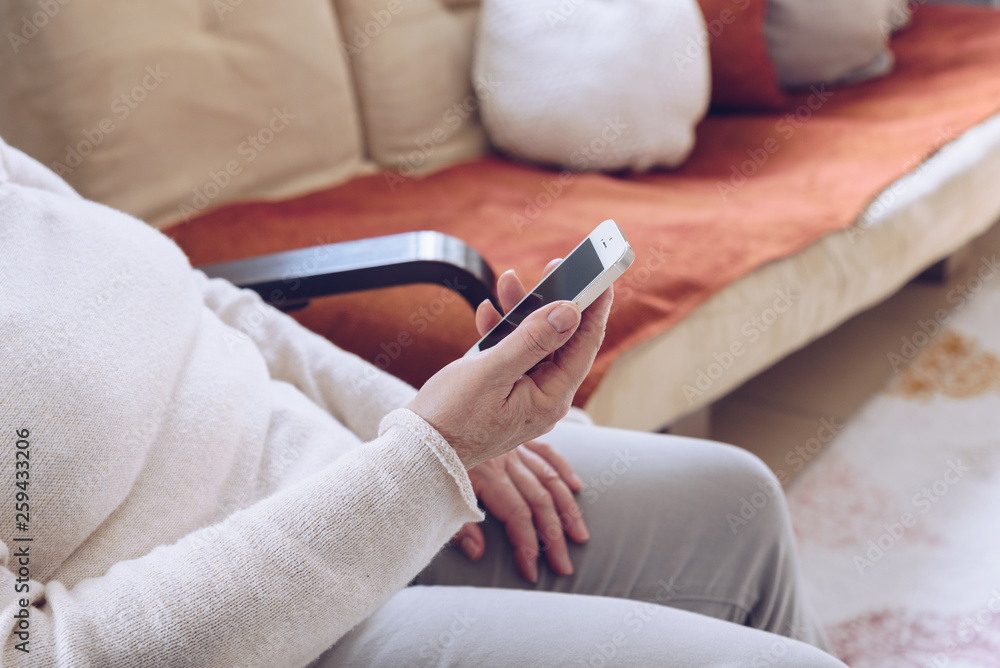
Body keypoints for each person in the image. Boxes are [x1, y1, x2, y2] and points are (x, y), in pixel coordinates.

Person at [0, 137, 846, 667]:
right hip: (261, 627)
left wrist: (420, 419)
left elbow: (202, 297)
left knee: (735, 499)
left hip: (351, 470)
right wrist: (424, 458)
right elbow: (44, 653)